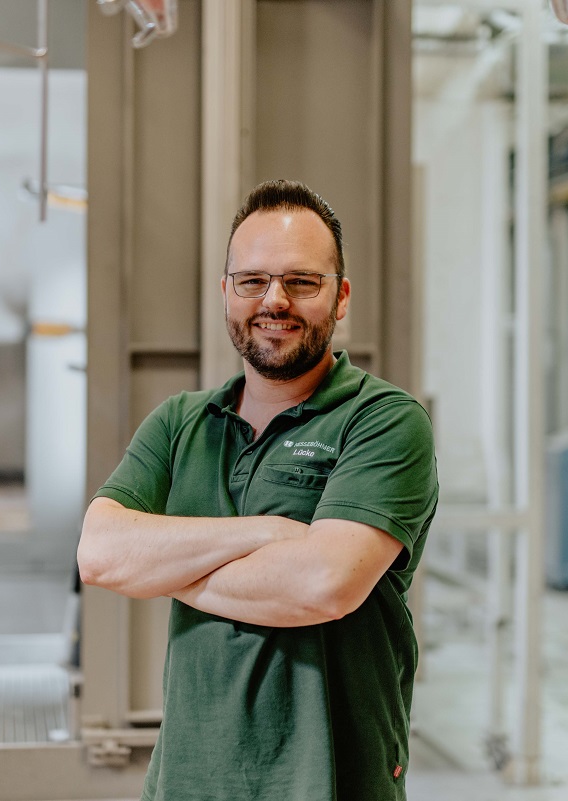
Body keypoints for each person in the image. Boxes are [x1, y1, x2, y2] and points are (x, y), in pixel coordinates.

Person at [77, 179, 438, 801]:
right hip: (187, 783)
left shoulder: (383, 419)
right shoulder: (180, 422)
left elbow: (322, 586)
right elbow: (100, 554)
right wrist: (268, 535)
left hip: (329, 782)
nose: (275, 300)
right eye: (252, 281)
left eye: (302, 281)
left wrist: (165, 566)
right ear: (227, 292)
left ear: (341, 296)